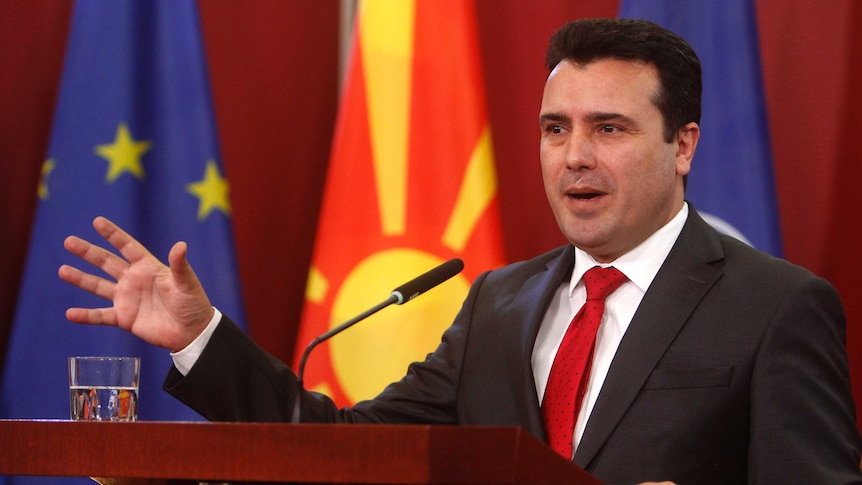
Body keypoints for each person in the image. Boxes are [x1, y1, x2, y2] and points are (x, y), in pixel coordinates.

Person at [58, 18, 862, 485]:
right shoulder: (498, 303)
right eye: (556, 129)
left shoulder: (776, 307)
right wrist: (203, 337)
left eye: (607, 129)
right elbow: (343, 450)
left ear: (683, 145)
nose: (573, 157)